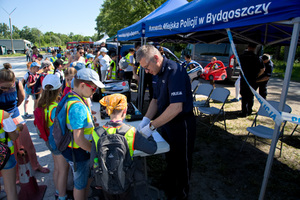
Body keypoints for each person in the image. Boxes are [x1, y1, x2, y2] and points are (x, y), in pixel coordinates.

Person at [136, 45, 196, 200]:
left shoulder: (175, 71)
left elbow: (176, 107)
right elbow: (155, 100)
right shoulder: (156, 72)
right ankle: (169, 184)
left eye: (147, 67)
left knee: (182, 160)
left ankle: (182, 193)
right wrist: (145, 120)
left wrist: (152, 126)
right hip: (166, 121)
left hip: (181, 123)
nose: (147, 71)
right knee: (169, 155)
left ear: (156, 58)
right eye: (144, 68)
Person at [96, 94, 157, 200]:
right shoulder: (131, 132)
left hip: (105, 182)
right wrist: (149, 133)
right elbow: (152, 149)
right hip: (125, 180)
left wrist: (98, 180)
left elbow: (94, 160)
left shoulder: (97, 133)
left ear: (106, 111)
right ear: (125, 110)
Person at [0, 63, 50, 180]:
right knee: (8, 149)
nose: (7, 90)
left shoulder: (17, 83)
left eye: (10, 87)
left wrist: (13, 111)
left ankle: (35, 165)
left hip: (15, 115)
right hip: (1, 119)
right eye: (3, 88)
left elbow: (21, 98)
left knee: (27, 144)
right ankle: (14, 174)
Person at [61, 68, 104, 200]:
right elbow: (79, 139)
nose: (94, 92)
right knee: (80, 184)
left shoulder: (73, 97)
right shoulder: (77, 106)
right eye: (93, 89)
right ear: (83, 85)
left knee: (84, 180)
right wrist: (95, 151)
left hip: (76, 150)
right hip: (78, 153)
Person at [36, 75, 69, 200]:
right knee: (63, 170)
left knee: (56, 167)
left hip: (49, 140)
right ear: (60, 89)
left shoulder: (43, 105)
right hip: (57, 141)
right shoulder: (55, 107)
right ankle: (62, 196)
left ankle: (57, 191)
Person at [0, 109, 23, 200]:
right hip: (6, 155)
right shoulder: (3, 115)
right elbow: (13, 136)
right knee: (10, 189)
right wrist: (18, 128)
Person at [239, 43, 264, 117]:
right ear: (255, 48)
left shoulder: (242, 56)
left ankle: (244, 111)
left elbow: (238, 64)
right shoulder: (257, 57)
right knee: (250, 95)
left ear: (248, 47)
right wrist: (257, 75)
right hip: (253, 79)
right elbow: (262, 69)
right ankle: (249, 110)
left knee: (244, 95)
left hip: (244, 78)